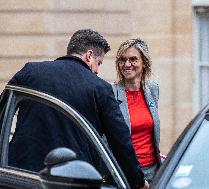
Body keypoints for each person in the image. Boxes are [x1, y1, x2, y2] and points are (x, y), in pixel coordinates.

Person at [7, 29, 148, 189]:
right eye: (99, 63)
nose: (97, 70)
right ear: (89, 55)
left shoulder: (29, 71)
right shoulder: (100, 88)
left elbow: (3, 113)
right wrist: (137, 181)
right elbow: (120, 142)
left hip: (18, 176)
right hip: (73, 180)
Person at [112, 38, 162, 182]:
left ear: (144, 63)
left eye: (133, 59)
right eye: (122, 60)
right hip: (126, 173)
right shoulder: (110, 94)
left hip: (153, 171)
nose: (127, 64)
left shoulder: (152, 89)